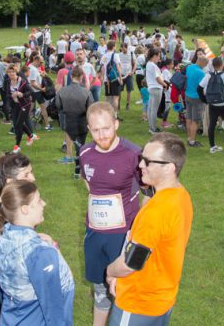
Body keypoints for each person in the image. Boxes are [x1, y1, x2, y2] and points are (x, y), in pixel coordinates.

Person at [105, 133, 193, 325]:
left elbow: (130, 264)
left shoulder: (156, 212)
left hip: (138, 303)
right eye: (141, 158)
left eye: (147, 161)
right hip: (162, 298)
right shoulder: (181, 195)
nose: (140, 165)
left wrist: (110, 271)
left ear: (170, 168)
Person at [79, 102, 142, 326]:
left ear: (116, 124)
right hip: (95, 233)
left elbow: (148, 192)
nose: (102, 135)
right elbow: (88, 183)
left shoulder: (134, 154)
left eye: (106, 128)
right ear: (89, 129)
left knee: (121, 288)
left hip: (122, 234)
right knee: (99, 288)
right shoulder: (85, 152)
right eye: (95, 130)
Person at [0, 180, 74, 325]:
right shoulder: (39, 252)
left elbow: (1, 289)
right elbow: (53, 305)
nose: (44, 203)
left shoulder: (2, 239)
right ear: (25, 209)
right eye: (39, 200)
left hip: (13, 318)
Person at [0, 152, 37, 325]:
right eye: (26, 174)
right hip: (3, 289)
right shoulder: (1, 210)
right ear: (10, 182)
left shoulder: (22, 202)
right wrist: (3, 273)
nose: (32, 178)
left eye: (31, 171)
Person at [55, 66, 94, 172]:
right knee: (81, 143)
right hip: (82, 120)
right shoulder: (86, 92)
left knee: (69, 135)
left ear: (71, 76)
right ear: (81, 77)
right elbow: (91, 108)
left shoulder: (62, 91)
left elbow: (58, 105)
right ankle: (80, 161)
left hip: (68, 118)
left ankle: (69, 156)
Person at [7, 64, 37, 153]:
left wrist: (22, 94)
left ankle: (17, 146)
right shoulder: (7, 82)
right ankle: (31, 135)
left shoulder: (22, 81)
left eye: (13, 72)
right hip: (15, 105)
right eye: (9, 72)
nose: (11, 73)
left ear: (16, 72)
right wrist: (12, 96)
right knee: (17, 126)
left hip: (25, 105)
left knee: (17, 124)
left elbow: (30, 91)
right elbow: (7, 94)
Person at [184, 53, 207, 147]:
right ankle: (192, 141)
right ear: (202, 63)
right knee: (195, 120)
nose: (205, 66)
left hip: (187, 94)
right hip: (196, 97)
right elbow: (202, 87)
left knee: (189, 118)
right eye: (206, 64)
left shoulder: (189, 67)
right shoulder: (201, 73)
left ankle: (189, 138)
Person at [145, 48, 167, 135]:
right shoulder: (153, 65)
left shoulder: (148, 64)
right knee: (154, 109)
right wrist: (165, 84)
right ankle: (153, 128)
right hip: (156, 88)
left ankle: (151, 127)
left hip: (151, 88)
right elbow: (158, 79)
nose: (159, 58)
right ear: (154, 56)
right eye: (158, 56)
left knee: (150, 109)